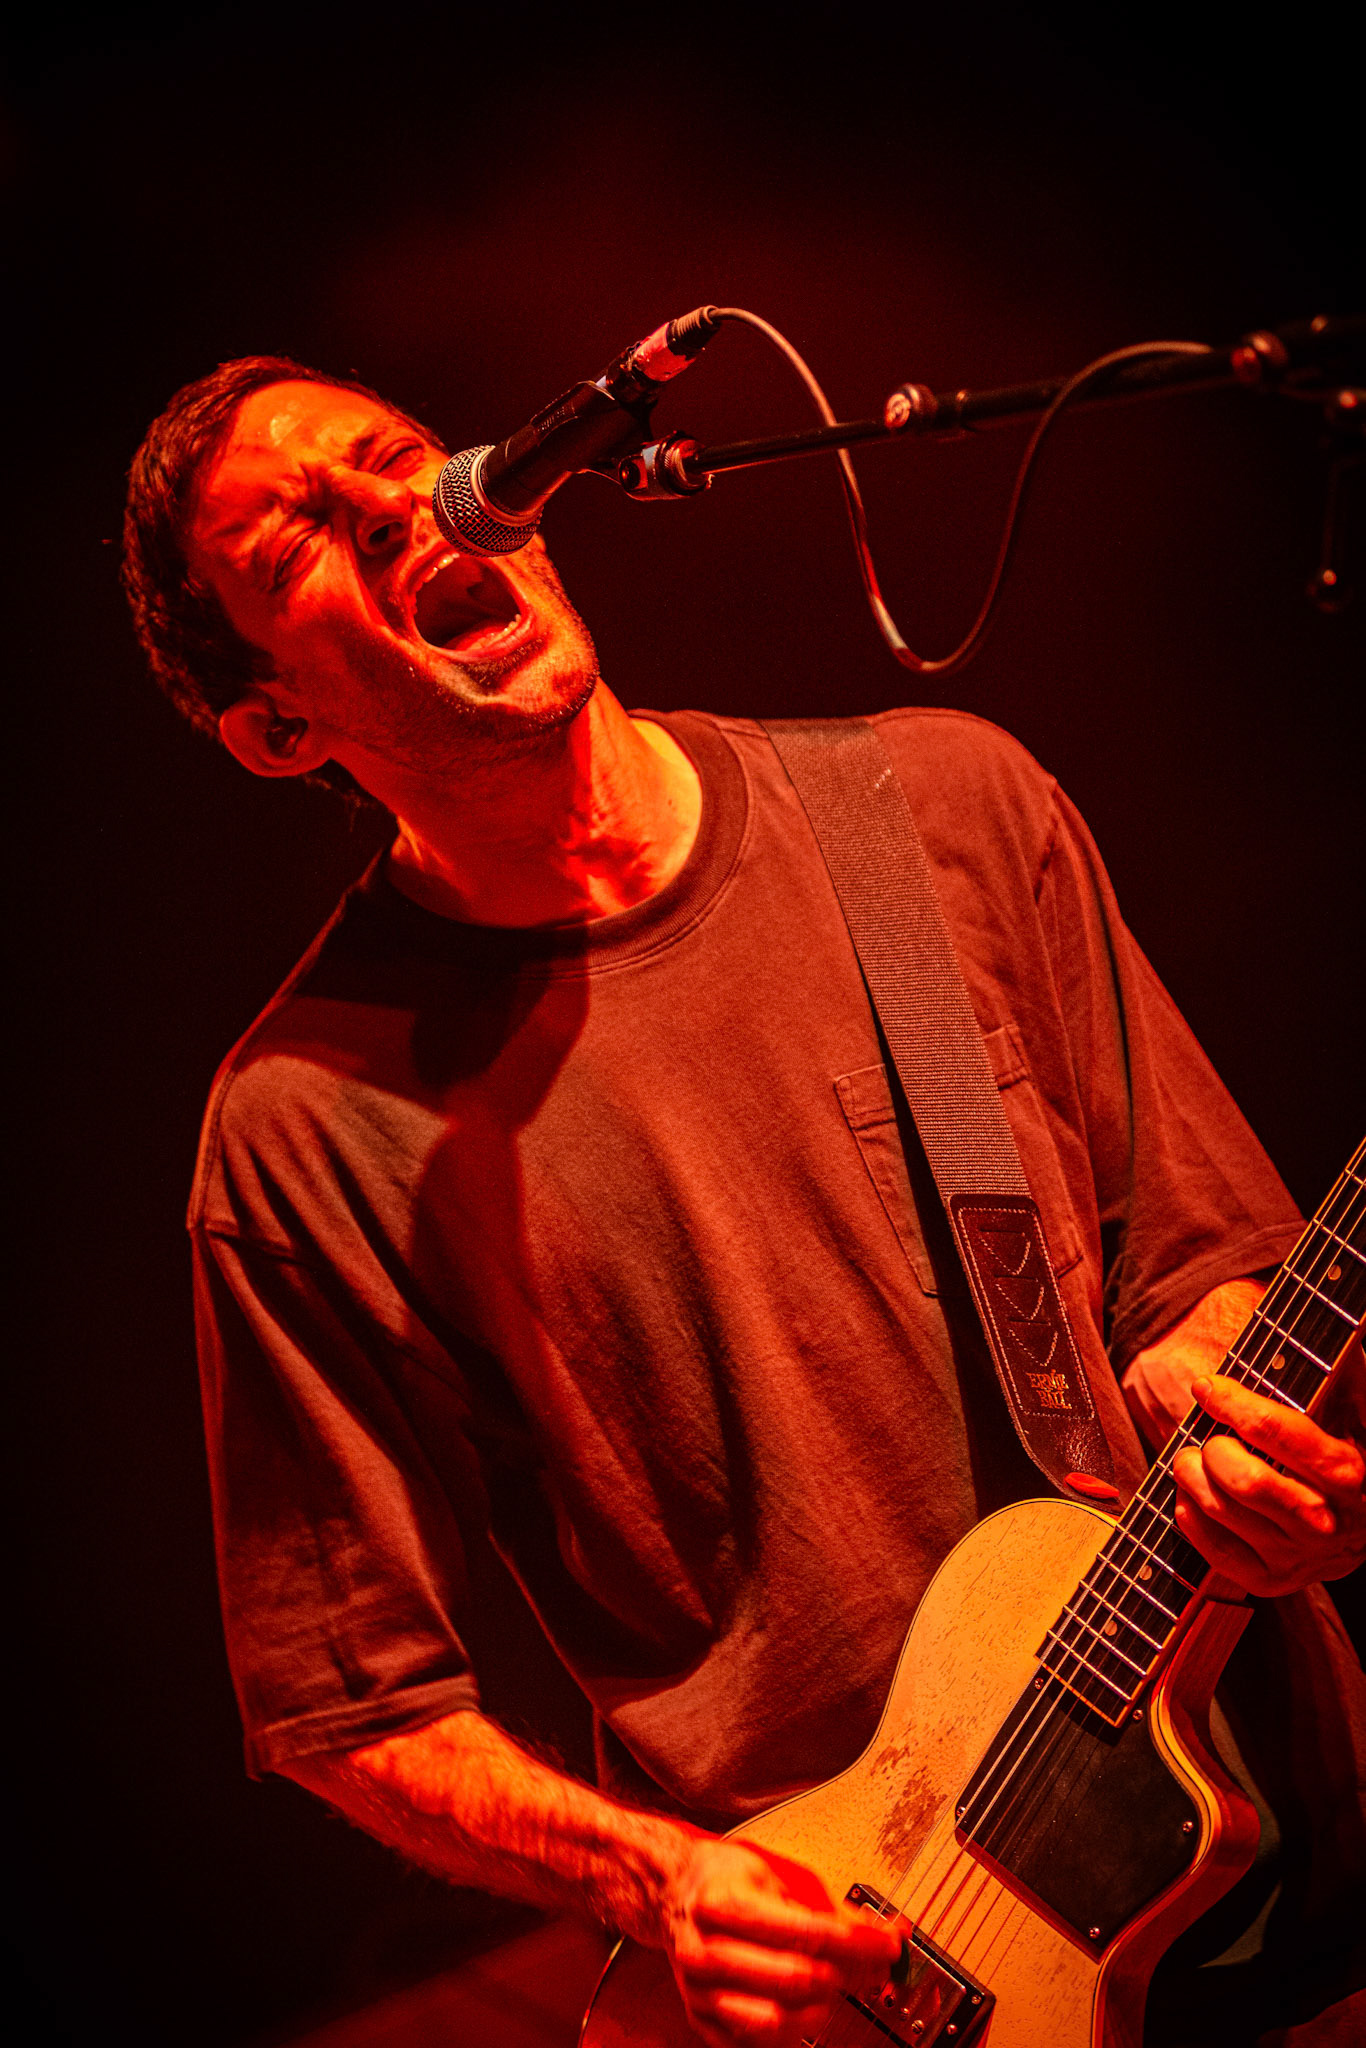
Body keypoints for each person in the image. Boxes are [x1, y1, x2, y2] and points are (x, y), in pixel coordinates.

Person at [124, 356, 1366, 2048]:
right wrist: (662, 1885)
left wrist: (1256, 1433)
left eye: (401, 458)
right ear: (280, 730)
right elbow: (351, 1704)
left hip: (1301, 1889)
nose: (393, 510)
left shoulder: (938, 806)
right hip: (866, 1983)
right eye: (298, 546)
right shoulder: (306, 1125)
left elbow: (1212, 1270)